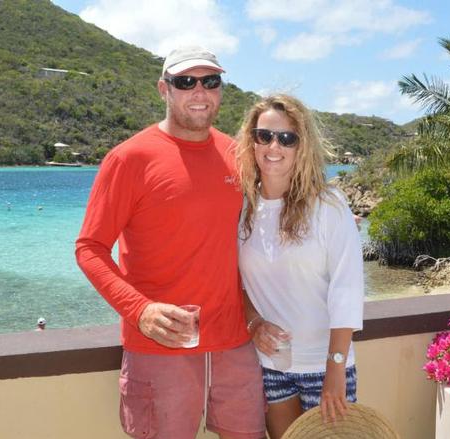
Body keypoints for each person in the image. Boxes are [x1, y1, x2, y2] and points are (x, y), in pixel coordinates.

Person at [76, 46, 266, 439]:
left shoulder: (238, 154)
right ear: (164, 89)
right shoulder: (129, 159)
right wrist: (140, 311)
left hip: (234, 343)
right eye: (186, 82)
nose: (200, 92)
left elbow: (263, 225)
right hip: (160, 344)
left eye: (210, 81)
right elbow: (90, 248)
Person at [234, 94, 364, 439]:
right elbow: (238, 283)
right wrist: (254, 321)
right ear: (252, 140)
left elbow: (347, 288)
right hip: (271, 363)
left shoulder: (328, 205)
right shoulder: (243, 207)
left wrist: (335, 370)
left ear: (301, 145)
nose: (274, 146)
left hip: (326, 363)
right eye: (264, 136)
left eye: (286, 138)